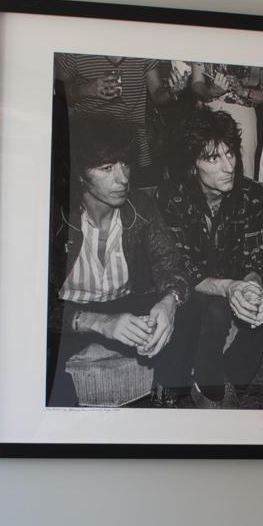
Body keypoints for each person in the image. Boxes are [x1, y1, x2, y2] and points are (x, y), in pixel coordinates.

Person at [47, 113, 194, 407]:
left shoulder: (141, 207)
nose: (123, 178)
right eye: (106, 168)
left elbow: (171, 265)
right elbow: (27, 303)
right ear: (79, 174)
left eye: (125, 163)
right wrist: (98, 322)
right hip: (67, 313)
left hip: (125, 300)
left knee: (189, 312)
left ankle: (166, 406)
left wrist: (169, 301)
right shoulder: (54, 214)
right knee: (37, 358)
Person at [158, 109, 263, 408]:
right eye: (213, 158)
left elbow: (254, 260)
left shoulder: (251, 194)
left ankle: (228, 379)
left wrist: (251, 288)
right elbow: (179, 268)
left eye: (230, 153)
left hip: (231, 285)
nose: (229, 166)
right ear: (192, 165)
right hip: (190, 291)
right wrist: (229, 288)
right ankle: (201, 386)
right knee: (214, 307)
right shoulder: (171, 197)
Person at [56, 54, 182, 186]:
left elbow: (157, 94)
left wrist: (171, 92)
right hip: (91, 142)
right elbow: (55, 90)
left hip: (133, 141)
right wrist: (85, 89)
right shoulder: (78, 50)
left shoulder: (142, 52)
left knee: (141, 194)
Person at [190, 64, 263, 181]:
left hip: (244, 114)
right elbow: (196, 84)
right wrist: (211, 92)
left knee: (245, 168)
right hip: (210, 110)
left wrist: (244, 91)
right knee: (210, 163)